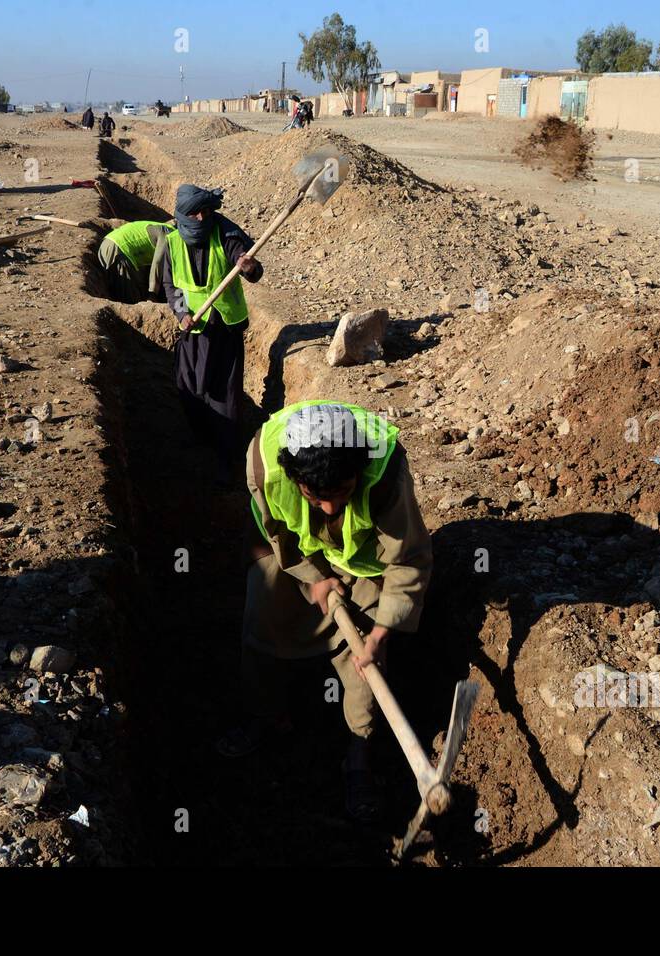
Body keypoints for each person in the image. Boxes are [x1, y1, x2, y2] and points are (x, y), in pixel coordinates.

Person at [219, 400, 433, 824]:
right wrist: (313, 578)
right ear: (296, 479)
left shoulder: (386, 475)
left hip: (367, 560)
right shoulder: (263, 465)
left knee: (365, 665)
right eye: (317, 498)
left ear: (358, 471)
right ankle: (267, 714)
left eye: (343, 494)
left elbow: (407, 561)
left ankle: (359, 754)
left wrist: (378, 634)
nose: (332, 509)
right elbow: (276, 532)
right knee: (263, 617)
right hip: (296, 552)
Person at [158, 184, 261, 482]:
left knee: (223, 393)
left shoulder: (226, 235)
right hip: (193, 326)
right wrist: (181, 313)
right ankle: (199, 441)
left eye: (206, 212)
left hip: (224, 328)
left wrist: (248, 266)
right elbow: (171, 285)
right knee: (188, 384)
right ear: (183, 216)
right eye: (195, 213)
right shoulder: (173, 242)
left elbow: (252, 269)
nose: (202, 219)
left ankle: (228, 458)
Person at [97, 219, 172, 303]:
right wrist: (153, 293)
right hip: (119, 250)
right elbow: (158, 262)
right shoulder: (169, 234)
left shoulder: (162, 226)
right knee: (132, 299)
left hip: (107, 245)